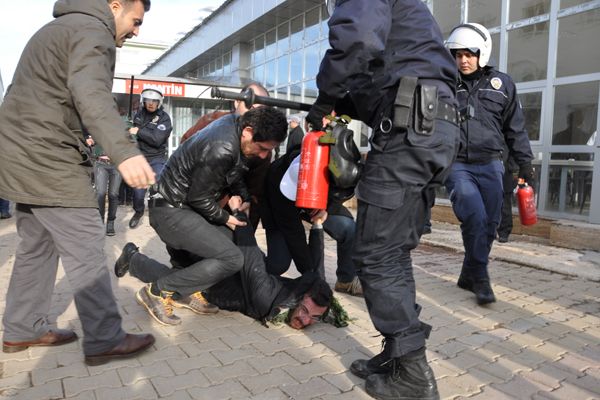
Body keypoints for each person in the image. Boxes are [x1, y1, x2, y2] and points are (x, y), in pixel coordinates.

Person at [306, 1, 460, 398]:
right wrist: (341, 103)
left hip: (409, 131)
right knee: (393, 251)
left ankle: (411, 373)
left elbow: (357, 39)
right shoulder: (409, 19)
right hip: (433, 127)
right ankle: (398, 353)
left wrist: (324, 97)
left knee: (374, 254)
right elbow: (384, 72)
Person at [0, 0, 156, 365]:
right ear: (114, 5)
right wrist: (124, 150)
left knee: (35, 246)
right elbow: (92, 94)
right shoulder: (91, 31)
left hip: (22, 151)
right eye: (135, 21)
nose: (136, 31)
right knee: (86, 244)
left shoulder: (59, 28)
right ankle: (105, 337)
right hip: (48, 154)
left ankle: (23, 328)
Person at [118, 107, 287, 326]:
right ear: (247, 131)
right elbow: (199, 198)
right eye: (263, 148)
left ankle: (172, 283)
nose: (264, 155)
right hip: (171, 210)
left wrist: (243, 197)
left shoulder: (234, 128)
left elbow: (232, 171)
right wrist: (227, 218)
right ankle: (157, 292)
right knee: (231, 258)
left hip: (183, 206)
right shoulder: (222, 146)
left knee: (222, 248)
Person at [114, 201, 334, 329]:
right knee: (205, 251)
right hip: (225, 271)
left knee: (173, 280)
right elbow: (316, 271)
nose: (305, 320)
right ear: (301, 295)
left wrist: (239, 213)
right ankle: (176, 246)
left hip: (214, 289)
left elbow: (250, 256)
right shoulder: (281, 292)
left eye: (314, 318)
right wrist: (317, 226)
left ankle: (132, 257)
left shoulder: (267, 298)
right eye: (306, 311)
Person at [444, 23, 534, 306]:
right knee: (474, 215)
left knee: (491, 223)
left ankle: (468, 273)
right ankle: (481, 278)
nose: (463, 60)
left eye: (468, 54)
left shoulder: (503, 85)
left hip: (492, 163)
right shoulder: (445, 85)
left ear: (481, 53)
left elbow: (515, 129)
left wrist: (526, 164)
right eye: (458, 55)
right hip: (457, 164)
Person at [261, 148, 362, 296]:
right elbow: (294, 234)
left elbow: (339, 194)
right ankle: (250, 274)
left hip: (318, 203)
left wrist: (325, 208)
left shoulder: (335, 164)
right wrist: (312, 275)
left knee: (348, 229)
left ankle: (346, 281)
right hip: (282, 208)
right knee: (279, 264)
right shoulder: (279, 179)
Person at [180, 82, 271, 231]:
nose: (252, 114)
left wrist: (246, 233)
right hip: (189, 202)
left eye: (259, 110)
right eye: (249, 106)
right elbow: (185, 150)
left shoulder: (261, 148)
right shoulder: (210, 122)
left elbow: (255, 193)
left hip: (227, 212)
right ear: (237, 102)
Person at [128, 87, 173, 229]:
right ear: (144, 101)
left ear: (159, 102)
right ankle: (139, 211)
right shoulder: (138, 116)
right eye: (148, 100)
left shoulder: (164, 118)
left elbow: (157, 140)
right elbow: (132, 135)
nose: (151, 103)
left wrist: (139, 131)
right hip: (140, 158)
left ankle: (158, 215)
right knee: (138, 193)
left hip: (157, 158)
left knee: (157, 187)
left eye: (154, 101)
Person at [85, 132, 122, 236]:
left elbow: (130, 140)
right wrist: (89, 140)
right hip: (101, 164)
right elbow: (91, 137)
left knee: (113, 194)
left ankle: (110, 222)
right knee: (100, 193)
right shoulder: (98, 122)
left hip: (117, 163)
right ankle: (100, 222)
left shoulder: (122, 123)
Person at [497, 154, 519, 243]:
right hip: (493, 176)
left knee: (505, 206)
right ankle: (492, 229)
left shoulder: (509, 144)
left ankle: (504, 232)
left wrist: (515, 178)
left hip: (506, 177)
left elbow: (514, 164)